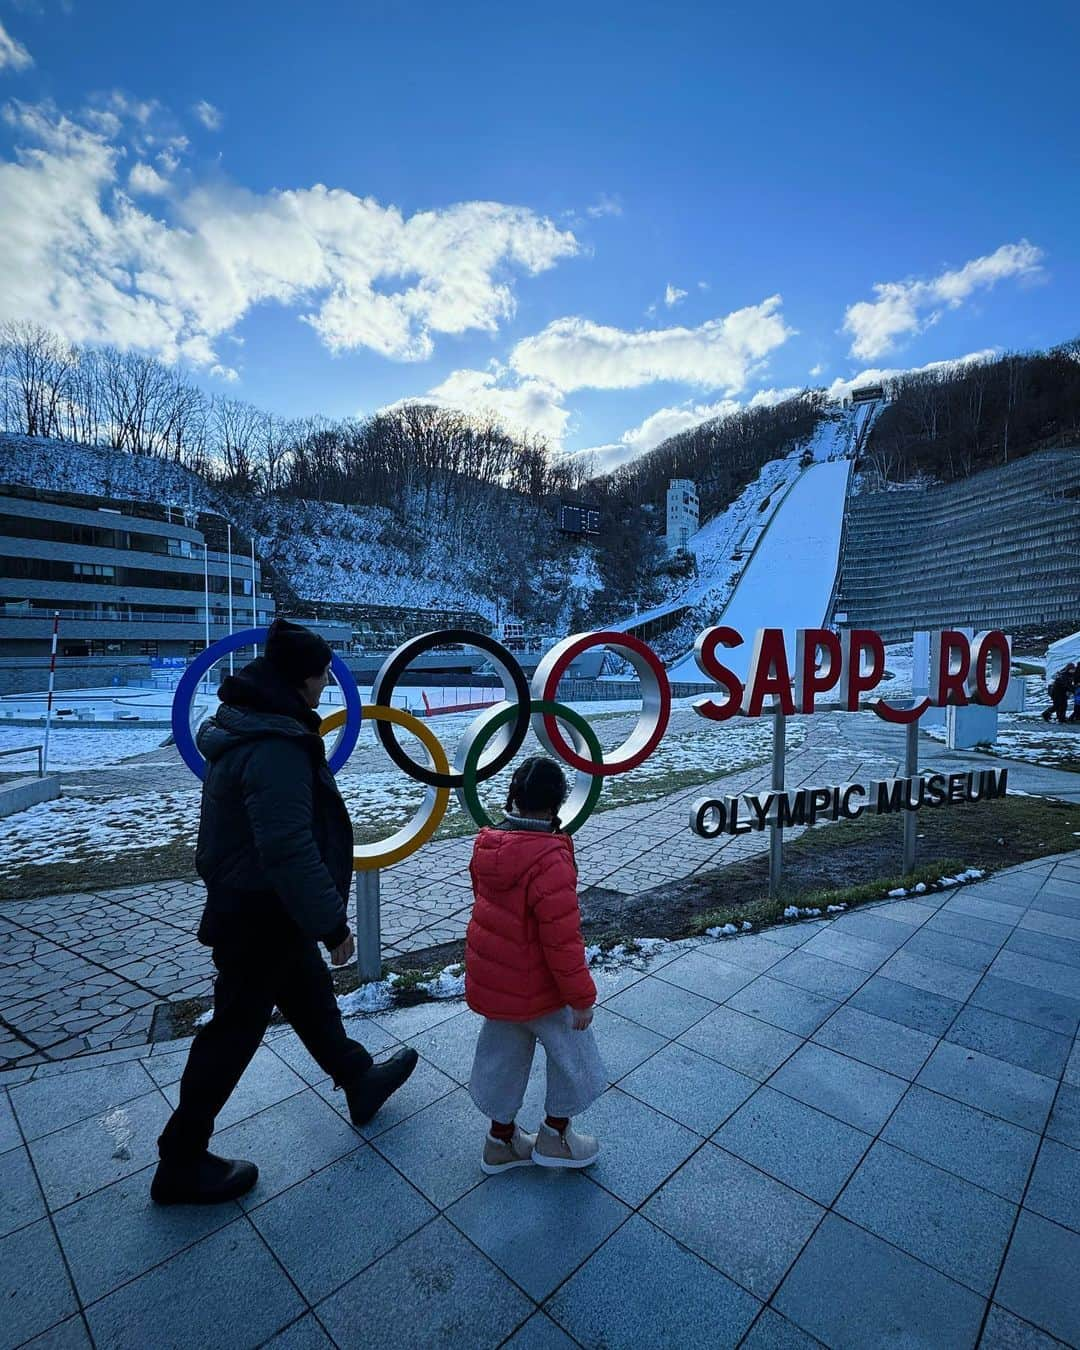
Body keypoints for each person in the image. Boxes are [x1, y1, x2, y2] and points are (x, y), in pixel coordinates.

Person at [152, 619, 417, 1205]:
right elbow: (286, 846)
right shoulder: (274, 745)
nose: (326, 686)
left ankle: (358, 1080)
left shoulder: (255, 726)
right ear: (301, 678)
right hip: (260, 911)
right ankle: (181, 1158)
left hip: (262, 906)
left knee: (308, 994)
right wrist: (333, 924)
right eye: (323, 675)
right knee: (234, 1032)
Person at [464, 756, 607, 1174]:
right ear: (555, 805)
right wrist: (581, 999)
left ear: (515, 797)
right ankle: (556, 1136)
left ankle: (500, 1141)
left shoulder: (488, 844)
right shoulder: (549, 858)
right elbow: (562, 940)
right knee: (574, 1056)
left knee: (502, 1059)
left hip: (497, 982)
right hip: (542, 989)